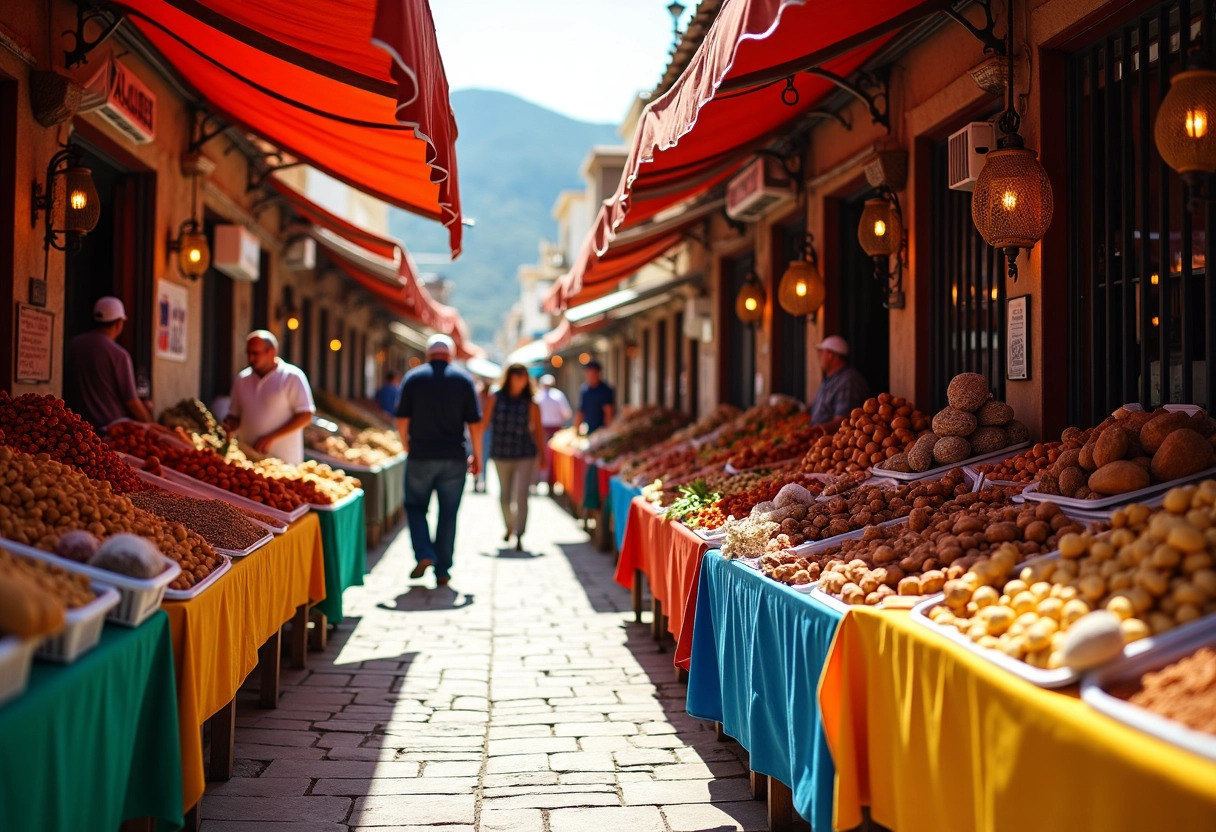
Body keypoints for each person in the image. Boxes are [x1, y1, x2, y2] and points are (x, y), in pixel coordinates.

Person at [396, 334, 483, 586]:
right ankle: (443, 570)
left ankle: (424, 552)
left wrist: (406, 446)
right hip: (454, 458)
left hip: (421, 455)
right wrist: (477, 455)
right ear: (451, 355)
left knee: (415, 507)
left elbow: (402, 420)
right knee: (448, 513)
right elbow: (475, 424)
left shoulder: (413, 378)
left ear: (427, 354)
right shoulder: (463, 380)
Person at [223, 331, 316, 464]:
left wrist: (271, 437)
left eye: (255, 353)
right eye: (248, 353)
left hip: (284, 463)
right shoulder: (241, 379)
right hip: (247, 460)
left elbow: (306, 415)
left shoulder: (292, 377)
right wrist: (229, 425)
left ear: (271, 352)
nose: (250, 358)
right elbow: (235, 415)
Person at [482, 364, 547, 550]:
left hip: (525, 453)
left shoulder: (531, 402)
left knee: (522, 495)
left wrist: (542, 456)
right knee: (504, 496)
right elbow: (484, 425)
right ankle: (509, 526)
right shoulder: (495, 398)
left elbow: (538, 431)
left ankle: (520, 533)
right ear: (509, 377)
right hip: (501, 452)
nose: (520, 379)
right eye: (516, 376)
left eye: (523, 376)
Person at [64, 297, 152, 428]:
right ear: (119, 323)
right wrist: (151, 423)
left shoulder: (74, 344)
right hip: (111, 431)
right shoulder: (119, 355)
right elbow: (132, 402)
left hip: (77, 427)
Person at [808, 335, 870, 432]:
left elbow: (843, 421)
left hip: (831, 442)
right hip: (817, 438)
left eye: (821, 353)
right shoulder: (829, 378)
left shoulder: (848, 381)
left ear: (830, 355)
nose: (818, 357)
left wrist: (813, 432)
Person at [534, 373, 571, 488]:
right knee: (551, 457)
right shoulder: (558, 396)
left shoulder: (538, 397)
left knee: (541, 454)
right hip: (552, 429)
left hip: (544, 429)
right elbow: (567, 414)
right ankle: (549, 481)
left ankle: (538, 480)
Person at [575, 360, 615, 435]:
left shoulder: (606, 390)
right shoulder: (584, 389)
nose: (590, 376)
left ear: (598, 373)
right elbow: (580, 410)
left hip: (602, 430)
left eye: (593, 373)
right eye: (588, 373)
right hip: (588, 428)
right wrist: (576, 429)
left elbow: (608, 411)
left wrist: (607, 431)